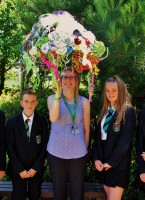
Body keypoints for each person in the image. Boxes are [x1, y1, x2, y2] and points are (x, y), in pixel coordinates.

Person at [46, 67, 90, 200]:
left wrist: (83, 148)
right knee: (59, 193)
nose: (68, 80)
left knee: (77, 193)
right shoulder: (52, 98)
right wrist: (58, 96)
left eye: (72, 77)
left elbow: (87, 129)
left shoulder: (84, 102)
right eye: (65, 77)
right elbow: (53, 118)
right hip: (56, 152)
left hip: (78, 154)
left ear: (77, 80)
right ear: (60, 80)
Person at [92, 75, 136, 200]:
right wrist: (96, 159)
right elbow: (97, 139)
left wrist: (111, 162)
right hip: (103, 166)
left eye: (114, 90)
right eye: (107, 90)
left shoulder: (128, 112)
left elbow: (125, 142)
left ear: (121, 90)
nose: (110, 93)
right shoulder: (104, 112)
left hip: (118, 165)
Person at [6, 89, 49, 200]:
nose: (29, 104)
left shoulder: (42, 121)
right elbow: (10, 148)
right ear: (21, 102)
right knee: (18, 196)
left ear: (36, 103)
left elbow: (45, 146)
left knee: (35, 195)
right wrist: (20, 169)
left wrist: (36, 167)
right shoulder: (12, 122)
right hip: (18, 170)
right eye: (26, 101)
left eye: (32, 101)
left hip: (36, 170)